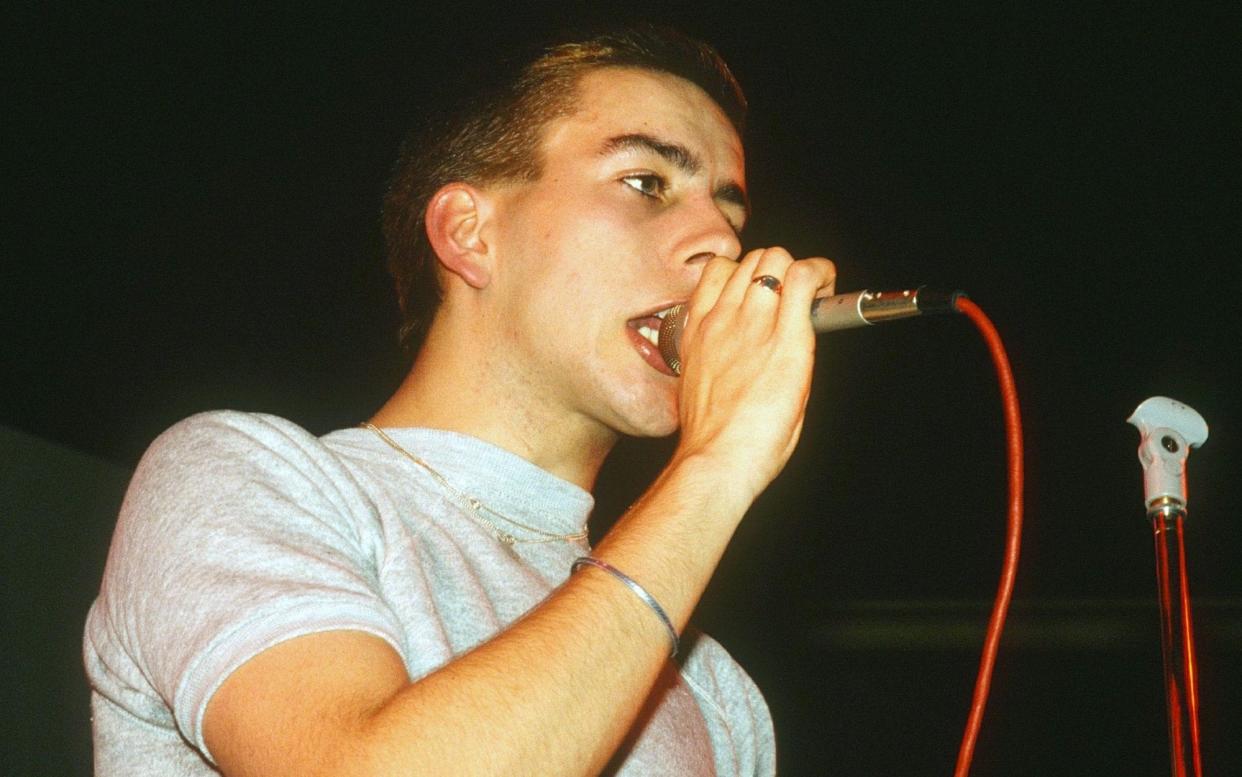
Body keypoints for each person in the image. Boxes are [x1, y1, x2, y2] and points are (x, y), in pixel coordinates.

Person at [84, 25, 835, 776]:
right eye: (647, 184)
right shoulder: (240, 477)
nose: (720, 245)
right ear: (468, 234)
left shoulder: (712, 690)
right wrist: (716, 466)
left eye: (730, 215)